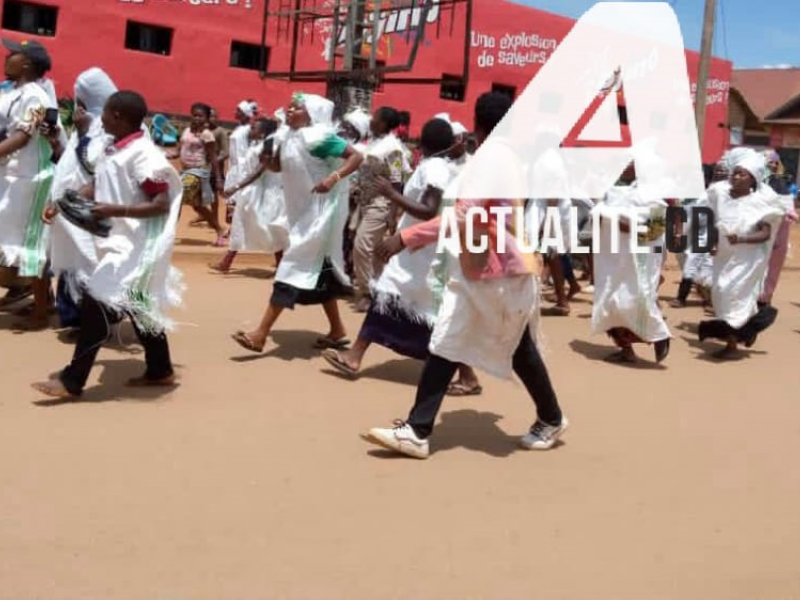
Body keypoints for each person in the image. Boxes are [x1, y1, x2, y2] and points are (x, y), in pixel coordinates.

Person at [361, 92, 567, 459]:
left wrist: (405, 237)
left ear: (477, 124)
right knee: (467, 341)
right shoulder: (509, 157)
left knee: (463, 342)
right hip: (494, 268)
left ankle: (419, 430)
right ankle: (420, 429)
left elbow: (463, 215)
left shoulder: (493, 158)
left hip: (496, 271)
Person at [33, 90, 184, 398]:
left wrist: (116, 210)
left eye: (104, 113)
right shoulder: (114, 148)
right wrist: (64, 203)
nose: (99, 118)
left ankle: (72, 380)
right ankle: (161, 370)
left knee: (95, 305)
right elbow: (99, 183)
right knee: (139, 307)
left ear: (118, 116)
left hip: (136, 246)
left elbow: (161, 203)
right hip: (119, 242)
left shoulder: (144, 155)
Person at [321, 117, 454, 377]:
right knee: (411, 306)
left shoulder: (434, 169)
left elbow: (428, 210)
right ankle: (355, 355)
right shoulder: (433, 165)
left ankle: (355, 355)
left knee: (393, 297)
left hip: (420, 253)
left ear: (421, 142)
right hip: (415, 251)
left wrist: (392, 195)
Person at [231, 92, 363, 353]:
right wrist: (270, 164)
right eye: (289, 107)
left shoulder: (321, 138)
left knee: (291, 267)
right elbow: (285, 168)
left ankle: (260, 334)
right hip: (302, 214)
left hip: (321, 215)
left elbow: (356, 157)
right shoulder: (289, 137)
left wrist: (333, 178)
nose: (289, 110)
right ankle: (337, 330)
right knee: (321, 272)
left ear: (311, 114)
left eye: (296, 108)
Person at [43, 67, 118, 331]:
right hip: (72, 209)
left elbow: (95, 168)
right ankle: (75, 317)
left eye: (82, 99)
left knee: (91, 262)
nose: (78, 105)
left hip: (94, 208)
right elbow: (71, 163)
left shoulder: (110, 126)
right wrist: (57, 145)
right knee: (72, 262)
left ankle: (98, 321)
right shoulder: (85, 124)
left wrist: (84, 133)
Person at [698, 149, 786, 359]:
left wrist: (742, 239)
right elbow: (711, 220)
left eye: (742, 174)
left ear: (753, 179)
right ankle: (748, 329)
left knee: (733, 298)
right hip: (723, 257)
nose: (736, 177)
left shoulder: (761, 202)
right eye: (735, 173)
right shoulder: (719, 195)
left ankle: (732, 344)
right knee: (720, 293)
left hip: (747, 262)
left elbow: (765, 233)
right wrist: (711, 242)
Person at [591, 149, 671, 364]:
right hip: (616, 262)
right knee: (612, 304)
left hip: (639, 265)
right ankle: (626, 350)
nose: (627, 166)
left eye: (632, 164)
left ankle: (660, 335)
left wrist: (614, 219)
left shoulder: (657, 203)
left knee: (633, 302)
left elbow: (653, 232)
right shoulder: (621, 193)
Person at [0, 38, 58, 329]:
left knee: (31, 243)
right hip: (9, 175)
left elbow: (22, 136)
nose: (6, 56)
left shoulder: (35, 97)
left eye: (12, 54)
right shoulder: (12, 91)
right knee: (10, 238)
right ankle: (35, 297)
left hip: (31, 179)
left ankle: (40, 311)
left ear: (26, 64)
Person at [351, 106, 411, 312]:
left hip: (381, 203)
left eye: (375, 117)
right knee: (376, 251)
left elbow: (397, 182)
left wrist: (393, 213)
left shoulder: (393, 148)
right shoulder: (375, 142)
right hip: (365, 202)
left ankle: (367, 293)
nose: (371, 120)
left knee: (361, 245)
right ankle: (384, 290)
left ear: (384, 122)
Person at [210, 118, 288, 273]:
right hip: (252, 191)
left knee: (269, 227)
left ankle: (281, 266)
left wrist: (236, 187)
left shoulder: (269, 145)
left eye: (254, 128)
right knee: (240, 223)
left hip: (266, 193)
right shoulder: (258, 144)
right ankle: (227, 261)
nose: (250, 130)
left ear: (263, 131)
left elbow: (258, 172)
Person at [169, 102, 225, 245]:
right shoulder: (186, 131)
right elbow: (177, 151)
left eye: (201, 116)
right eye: (195, 115)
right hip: (185, 171)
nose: (197, 118)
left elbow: (213, 157)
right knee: (197, 206)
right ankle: (219, 229)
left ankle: (168, 232)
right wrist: (166, 155)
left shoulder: (207, 135)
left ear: (206, 118)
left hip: (198, 172)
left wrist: (218, 178)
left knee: (178, 196)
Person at [758, 150, 798, 305]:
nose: (773, 165)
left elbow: (788, 206)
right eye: (770, 162)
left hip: (780, 231)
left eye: (775, 162)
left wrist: (790, 214)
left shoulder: (780, 182)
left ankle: (765, 299)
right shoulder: (752, 182)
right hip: (756, 231)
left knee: (773, 268)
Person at [221, 100, 257, 228]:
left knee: (237, 198)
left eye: (238, 111)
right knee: (232, 199)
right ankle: (233, 229)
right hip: (234, 167)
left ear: (244, 114)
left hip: (241, 168)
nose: (235, 112)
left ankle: (237, 229)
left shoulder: (248, 130)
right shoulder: (239, 128)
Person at [208, 107, 230, 223]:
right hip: (201, 166)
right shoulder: (202, 130)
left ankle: (215, 217)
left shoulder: (220, 132)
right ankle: (205, 214)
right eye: (210, 116)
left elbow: (225, 152)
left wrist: (215, 160)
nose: (212, 119)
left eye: (214, 116)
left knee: (214, 193)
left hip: (215, 168)